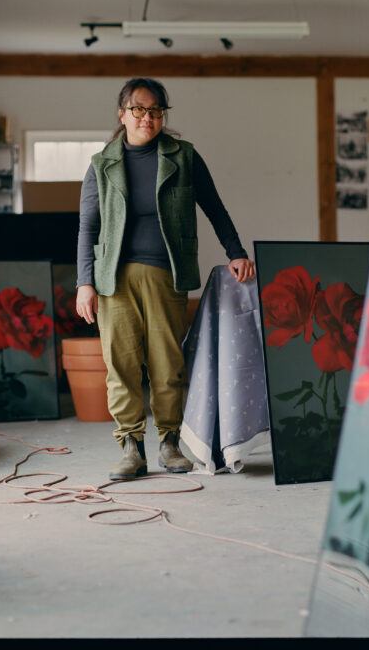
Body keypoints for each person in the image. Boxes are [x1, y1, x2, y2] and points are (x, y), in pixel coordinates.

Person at [76, 78, 255, 481]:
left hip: (166, 275)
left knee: (167, 363)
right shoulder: (101, 164)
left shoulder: (184, 157)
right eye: (138, 109)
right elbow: (88, 227)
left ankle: (169, 443)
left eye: (156, 110)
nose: (147, 117)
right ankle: (130, 447)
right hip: (113, 280)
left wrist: (236, 252)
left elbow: (215, 208)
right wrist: (83, 282)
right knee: (120, 364)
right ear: (122, 115)